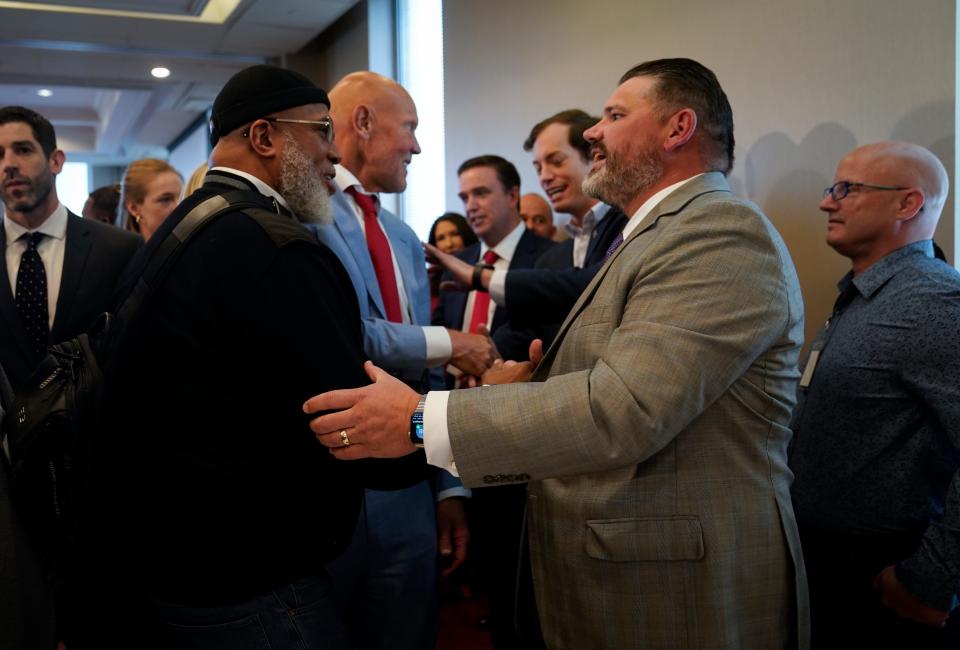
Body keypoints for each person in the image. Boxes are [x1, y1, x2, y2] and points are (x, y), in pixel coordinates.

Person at [305, 58, 809, 650]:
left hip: (674, 590)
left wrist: (421, 419)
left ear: (677, 130)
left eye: (614, 115)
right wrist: (536, 387)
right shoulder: (656, 235)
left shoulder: (717, 232)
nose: (592, 132)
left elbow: (625, 410)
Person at [73, 64, 425, 649]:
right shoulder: (274, 247)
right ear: (264, 137)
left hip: (179, 559)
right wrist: (438, 432)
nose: (334, 157)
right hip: (254, 580)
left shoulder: (184, 226)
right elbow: (343, 417)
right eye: (321, 132)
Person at [308, 71, 486, 650]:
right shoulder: (303, 220)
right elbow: (343, 337)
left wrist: (449, 490)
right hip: (327, 488)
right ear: (363, 123)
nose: (416, 145)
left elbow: (428, 376)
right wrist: (453, 342)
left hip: (411, 490)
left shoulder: (404, 236)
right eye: (408, 127)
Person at [788, 141, 960, 649]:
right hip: (832, 572)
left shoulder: (932, 301)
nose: (827, 202)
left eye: (847, 190)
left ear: (908, 204)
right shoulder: (864, 297)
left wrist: (928, 581)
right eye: (831, 188)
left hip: (886, 582)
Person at [426, 109, 628, 345]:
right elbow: (532, 331)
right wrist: (483, 355)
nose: (545, 177)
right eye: (538, 167)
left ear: (593, 157)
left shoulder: (626, 223)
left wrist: (480, 277)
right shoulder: (556, 256)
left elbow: (592, 286)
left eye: (555, 161)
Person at [0, 106, 140, 391]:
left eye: (23, 150)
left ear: (56, 161)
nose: (8, 164)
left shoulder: (118, 249)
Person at [435, 155, 554, 366]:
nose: (471, 206)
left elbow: (544, 336)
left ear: (512, 195)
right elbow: (441, 329)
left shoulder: (551, 257)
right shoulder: (455, 262)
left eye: (481, 193)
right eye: (464, 198)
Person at [120, 158, 183, 241]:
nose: (179, 207)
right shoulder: (121, 253)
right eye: (166, 199)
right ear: (134, 208)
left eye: (182, 198)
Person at [428, 212, 476, 312]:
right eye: (441, 238)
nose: (449, 244)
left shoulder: (480, 272)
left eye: (455, 234)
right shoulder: (427, 280)